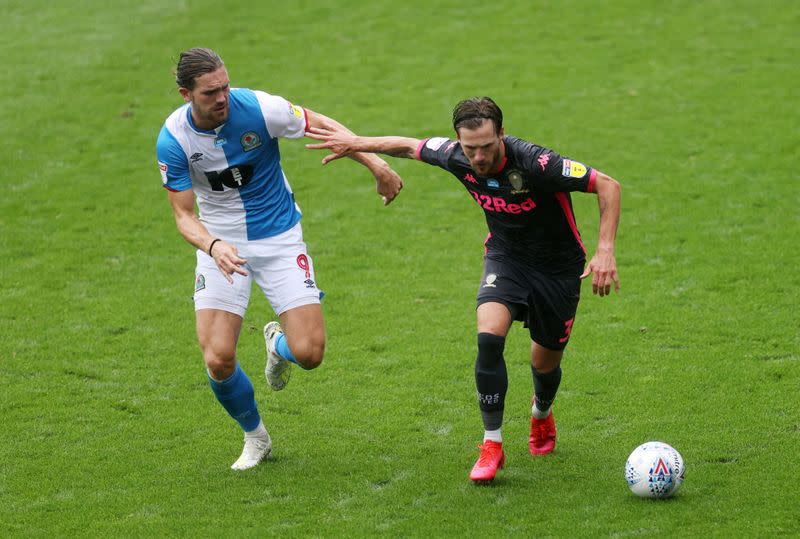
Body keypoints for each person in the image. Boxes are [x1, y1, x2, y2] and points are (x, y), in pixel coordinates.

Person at [306, 97, 620, 483]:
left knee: (544, 363)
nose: (479, 156)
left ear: (501, 134)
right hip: (506, 259)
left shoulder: (537, 163)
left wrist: (605, 251)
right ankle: (492, 444)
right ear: (459, 141)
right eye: (471, 148)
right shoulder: (456, 156)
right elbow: (408, 145)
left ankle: (541, 413)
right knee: (488, 339)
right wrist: (356, 143)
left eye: (487, 146)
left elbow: (607, 184)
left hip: (557, 270)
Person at [156, 48, 403, 470]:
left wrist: (376, 165)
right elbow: (183, 216)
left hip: (280, 240)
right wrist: (213, 246)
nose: (223, 98)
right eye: (211, 92)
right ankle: (255, 437)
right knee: (217, 357)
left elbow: (322, 125)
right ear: (186, 94)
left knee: (309, 353)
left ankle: (277, 345)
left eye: (226, 87)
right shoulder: (174, 140)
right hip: (222, 248)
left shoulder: (259, 109)